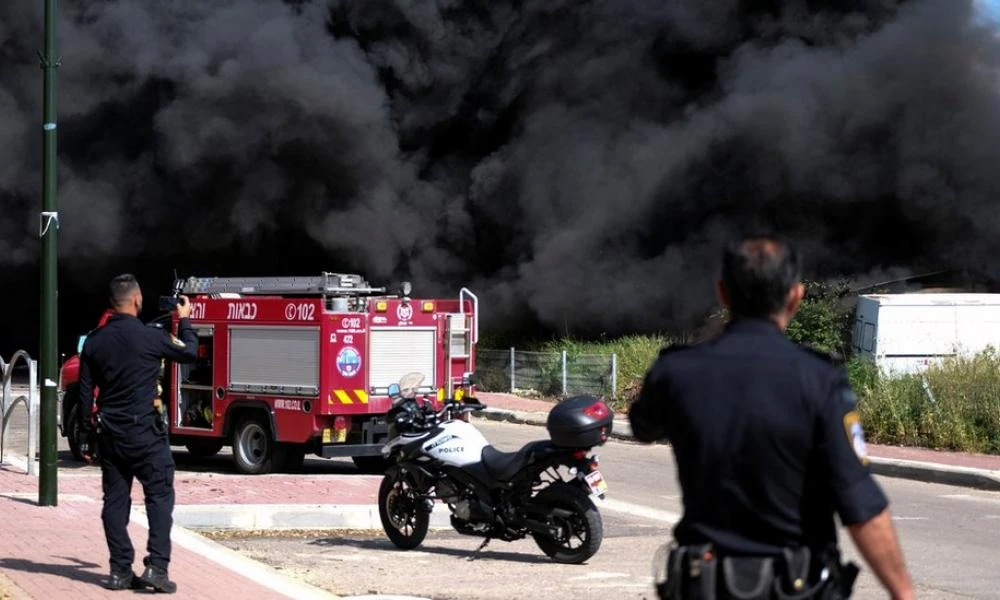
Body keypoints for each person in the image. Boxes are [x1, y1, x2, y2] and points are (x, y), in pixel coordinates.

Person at [628, 236, 915, 599]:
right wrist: (904, 592)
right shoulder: (819, 379)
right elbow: (860, 504)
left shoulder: (676, 371)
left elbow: (642, 425)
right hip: (794, 586)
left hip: (705, 585)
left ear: (722, 294)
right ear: (795, 296)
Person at [78, 274, 197, 593]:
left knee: (114, 502)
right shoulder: (150, 337)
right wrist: (184, 321)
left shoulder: (94, 341)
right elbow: (189, 352)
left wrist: (92, 433)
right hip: (147, 433)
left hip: (112, 436)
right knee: (159, 497)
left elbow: (85, 395)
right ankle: (157, 568)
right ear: (135, 300)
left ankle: (119, 570)